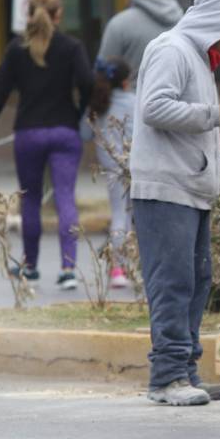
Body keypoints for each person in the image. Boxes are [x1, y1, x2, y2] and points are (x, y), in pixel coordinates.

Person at [130, 0, 220, 408]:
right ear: (216, 27)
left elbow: (200, 138)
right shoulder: (171, 50)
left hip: (192, 188)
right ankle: (166, 378)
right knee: (173, 284)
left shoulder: (199, 61)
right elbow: (154, 108)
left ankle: (186, 370)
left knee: (196, 282)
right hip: (165, 189)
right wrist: (213, 114)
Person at [0, 0, 93, 290]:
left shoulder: (16, 49)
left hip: (29, 134)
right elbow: (88, 82)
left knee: (31, 200)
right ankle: (68, 269)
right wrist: (78, 114)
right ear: (58, 15)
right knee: (65, 197)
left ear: (29, 15)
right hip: (64, 131)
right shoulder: (72, 47)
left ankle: (30, 266)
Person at [80, 57, 134, 290]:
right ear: (125, 82)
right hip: (137, 167)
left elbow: (84, 133)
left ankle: (118, 267)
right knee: (136, 216)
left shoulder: (98, 105)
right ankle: (135, 266)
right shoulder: (135, 102)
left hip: (112, 169)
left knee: (119, 215)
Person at [99, 0, 185, 78]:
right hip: (174, 90)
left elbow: (102, 72)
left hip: (134, 90)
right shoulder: (182, 20)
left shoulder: (119, 24)